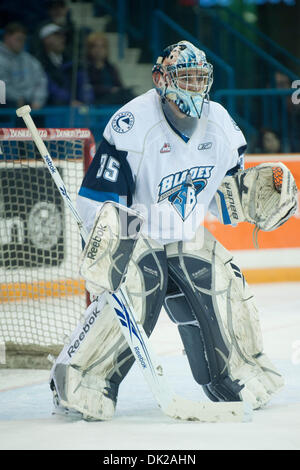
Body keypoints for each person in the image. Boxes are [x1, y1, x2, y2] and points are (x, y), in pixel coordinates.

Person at [49, 40, 297, 421]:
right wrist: (105, 241)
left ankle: (239, 374)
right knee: (137, 285)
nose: (194, 86)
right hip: (138, 230)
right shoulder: (132, 123)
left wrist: (253, 197)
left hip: (186, 232)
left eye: (200, 78)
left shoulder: (221, 126)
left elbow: (224, 198)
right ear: (161, 79)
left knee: (223, 279)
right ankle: (81, 376)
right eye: (185, 77)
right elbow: (99, 197)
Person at [36, 23, 93, 106]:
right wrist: (68, 102)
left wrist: (85, 100)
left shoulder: (71, 60)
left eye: (63, 36)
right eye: (57, 36)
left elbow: (83, 83)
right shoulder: (38, 62)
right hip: (52, 109)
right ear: (46, 39)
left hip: (75, 108)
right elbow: (49, 86)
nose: (62, 39)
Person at [0, 22, 48, 109]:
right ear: (6, 38)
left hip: (31, 105)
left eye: (23, 40)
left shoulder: (29, 60)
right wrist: (17, 99)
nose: (21, 43)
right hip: (8, 107)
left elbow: (41, 81)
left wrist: (37, 100)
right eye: (18, 39)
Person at [86, 31, 135, 105]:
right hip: (97, 102)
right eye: (95, 46)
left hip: (114, 100)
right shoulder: (85, 68)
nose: (98, 50)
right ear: (89, 49)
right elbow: (87, 88)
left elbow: (119, 86)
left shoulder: (111, 68)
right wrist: (109, 90)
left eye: (102, 47)